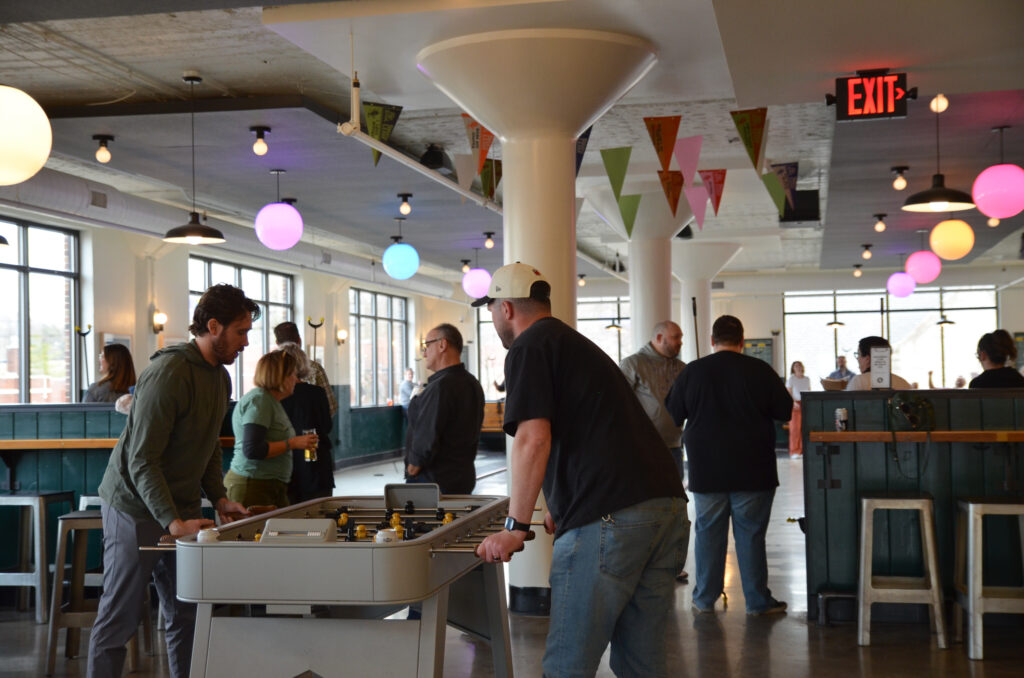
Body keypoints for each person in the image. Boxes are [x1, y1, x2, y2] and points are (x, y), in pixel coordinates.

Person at [473, 263, 686, 678]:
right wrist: (560, 502)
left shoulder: (529, 347)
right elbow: (588, 427)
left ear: (507, 309)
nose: (493, 318)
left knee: (567, 665)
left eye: (492, 309)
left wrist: (515, 525)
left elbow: (533, 439)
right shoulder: (576, 345)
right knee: (642, 664)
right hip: (666, 510)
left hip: (611, 520)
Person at [87, 284, 257, 678]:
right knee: (119, 618)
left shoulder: (220, 378)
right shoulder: (169, 373)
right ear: (213, 326)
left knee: (186, 613)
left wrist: (218, 498)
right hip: (133, 506)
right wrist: (173, 522)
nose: (246, 342)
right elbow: (141, 459)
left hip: (179, 506)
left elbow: (209, 444)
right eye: (240, 332)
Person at [665, 314, 792, 616]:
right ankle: (757, 601)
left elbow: (673, 411)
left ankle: (704, 599)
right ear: (742, 341)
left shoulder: (694, 371)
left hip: (707, 468)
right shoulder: (760, 369)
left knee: (708, 533)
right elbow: (785, 410)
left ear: (712, 340)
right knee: (751, 534)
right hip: (753, 467)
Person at [620, 320, 691, 582]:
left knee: (673, 509)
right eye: (675, 338)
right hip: (641, 450)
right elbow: (619, 402)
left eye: (681, 338)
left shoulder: (682, 368)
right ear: (659, 337)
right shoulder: (633, 364)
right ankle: (639, 565)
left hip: (673, 448)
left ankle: (669, 565)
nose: (680, 343)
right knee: (642, 509)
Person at [224, 350, 318, 508]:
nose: (295, 379)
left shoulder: (271, 401)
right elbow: (253, 449)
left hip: (268, 484)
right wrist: (292, 443)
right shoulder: (260, 401)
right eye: (292, 374)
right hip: (253, 484)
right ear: (279, 376)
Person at [404, 323, 484, 494]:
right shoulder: (472, 383)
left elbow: (427, 434)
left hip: (433, 482)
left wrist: (413, 466)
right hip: (462, 477)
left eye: (427, 345)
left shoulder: (441, 387)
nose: (424, 352)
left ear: (442, 344)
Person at [278, 342, 336, 504]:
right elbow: (327, 426)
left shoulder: (277, 395)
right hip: (317, 463)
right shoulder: (317, 393)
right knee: (319, 519)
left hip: (288, 465)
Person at [274, 321, 338, 418]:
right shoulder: (315, 368)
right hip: (311, 430)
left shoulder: (270, 369)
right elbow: (330, 408)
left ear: (277, 343)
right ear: (300, 340)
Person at [845, 336, 912, 390]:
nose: (857, 358)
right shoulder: (903, 383)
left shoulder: (858, 382)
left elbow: (846, 405)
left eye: (858, 354)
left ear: (867, 359)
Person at [786, 360, 811, 459]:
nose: (798, 367)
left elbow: (809, 390)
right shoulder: (791, 379)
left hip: (805, 404)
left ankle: (801, 450)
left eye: (799, 365)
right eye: (796, 366)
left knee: (804, 428)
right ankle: (794, 451)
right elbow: (788, 392)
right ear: (793, 368)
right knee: (795, 429)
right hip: (795, 404)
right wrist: (793, 402)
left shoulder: (807, 379)